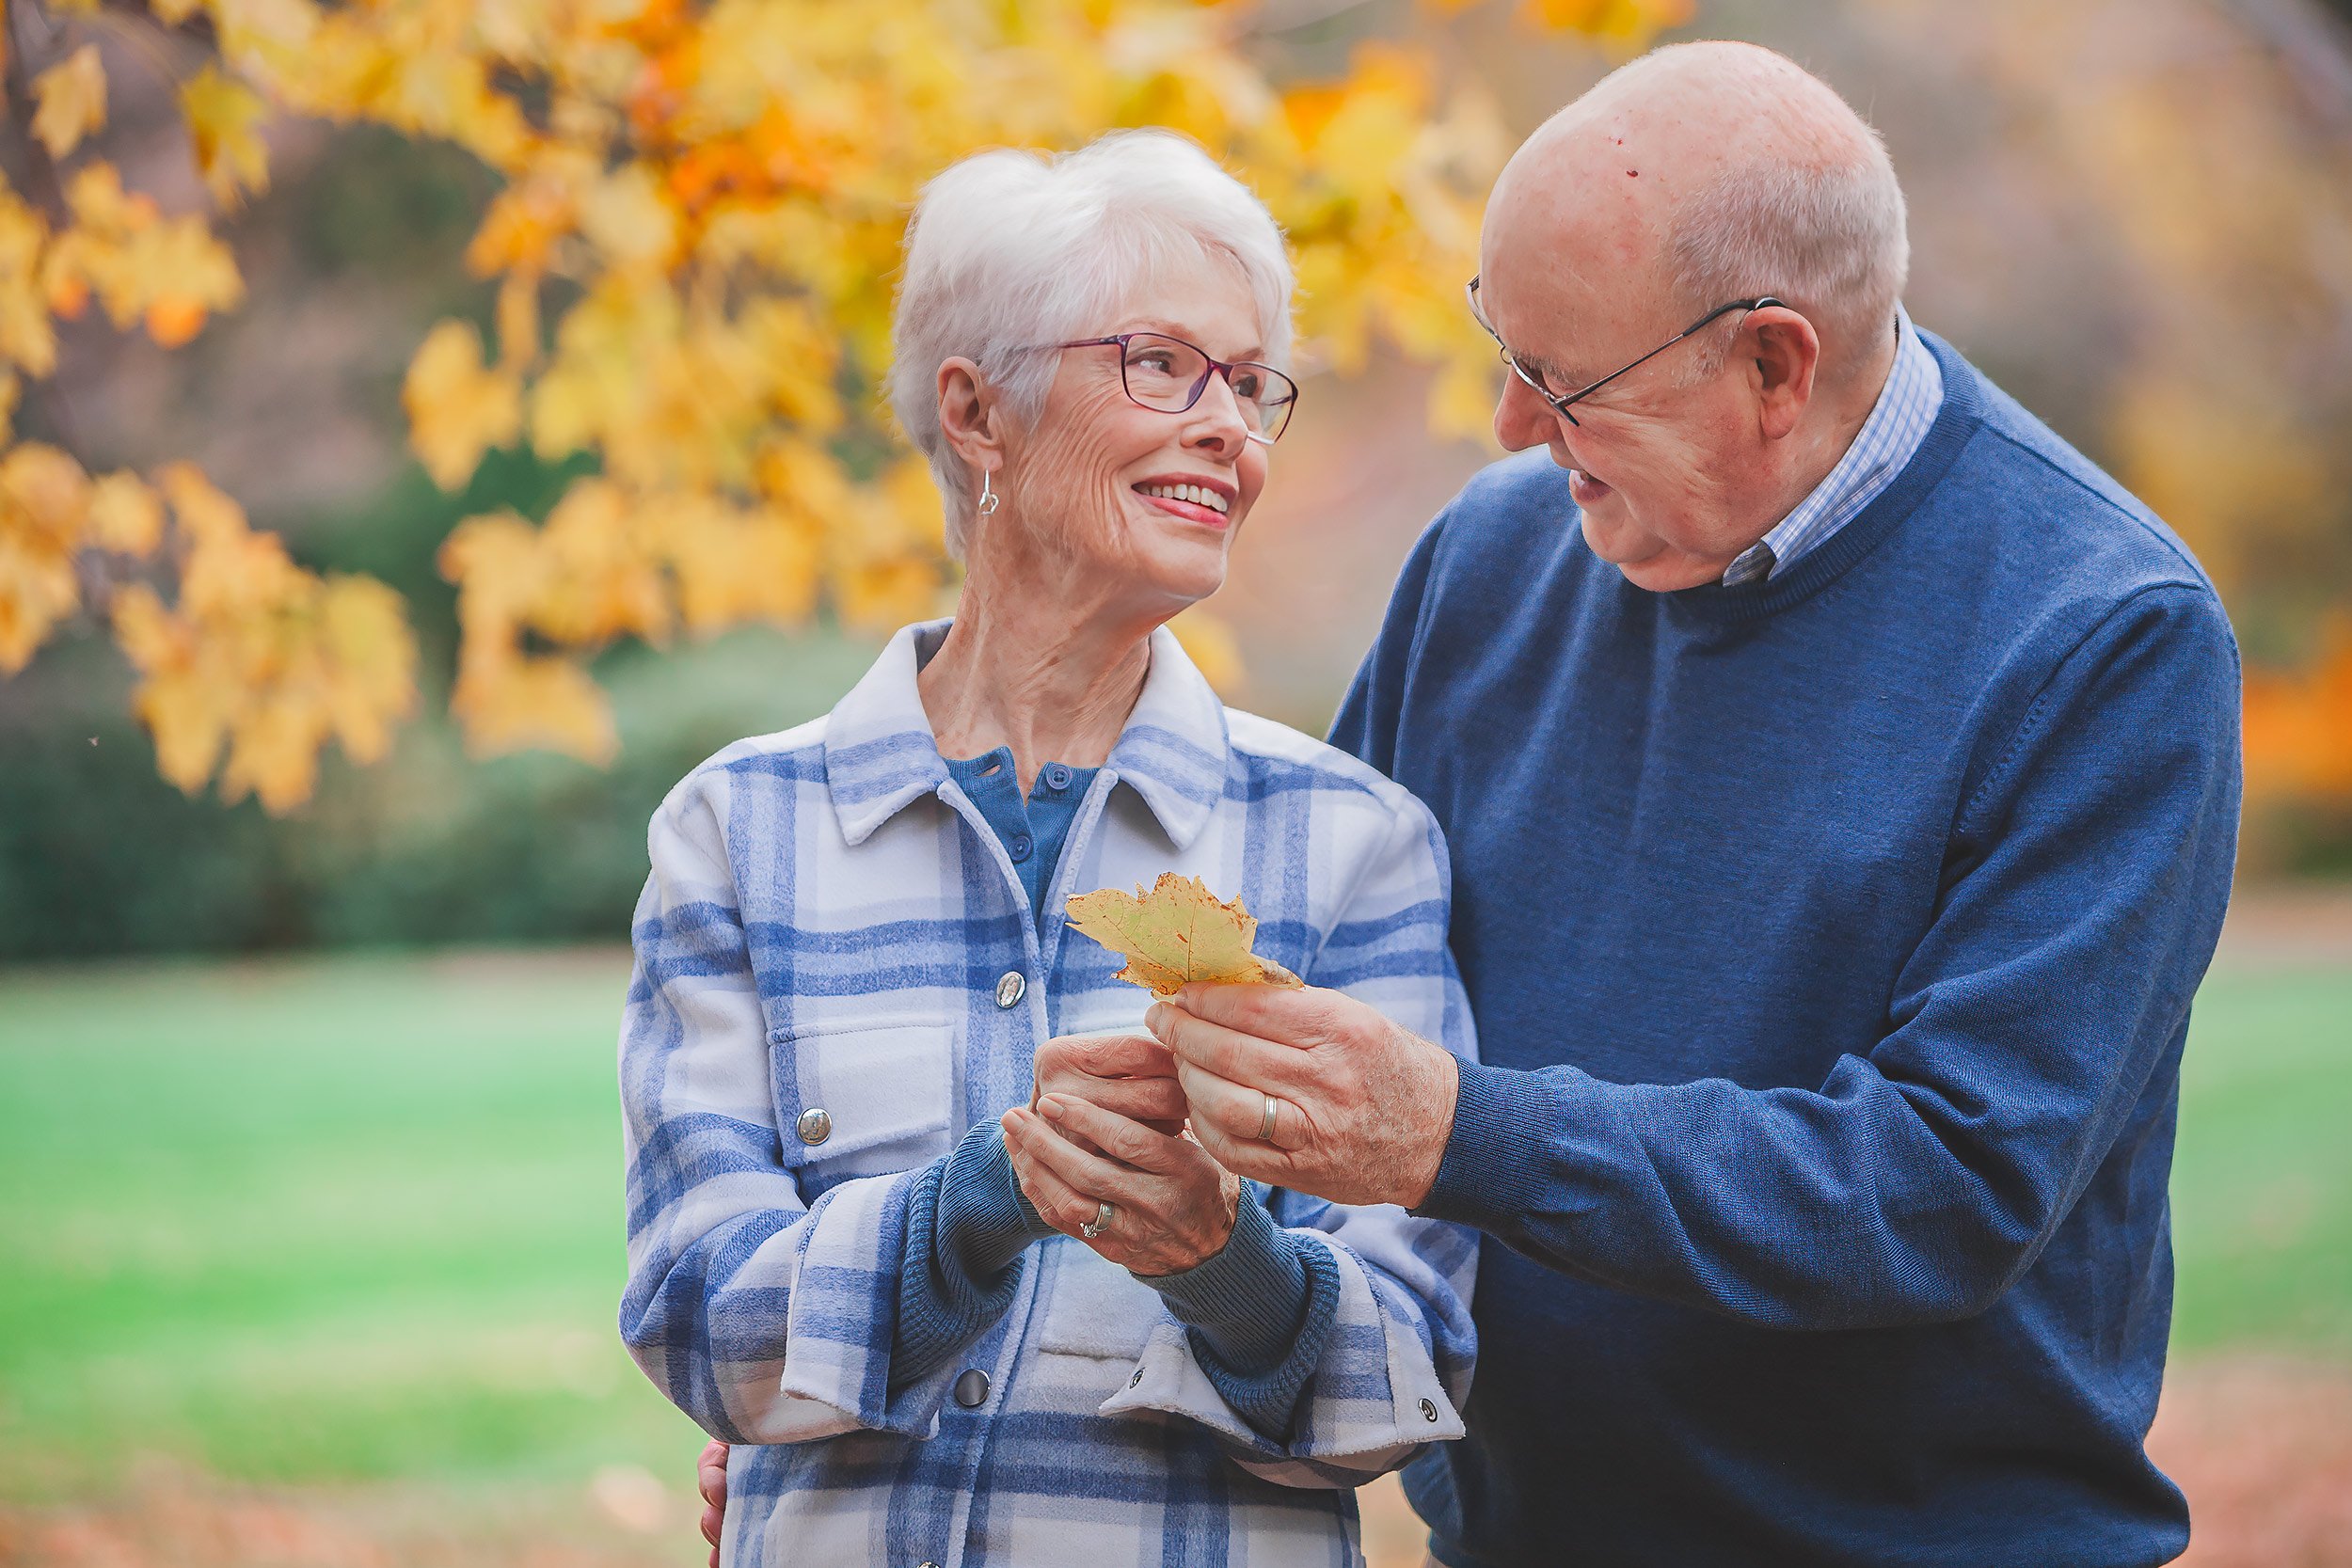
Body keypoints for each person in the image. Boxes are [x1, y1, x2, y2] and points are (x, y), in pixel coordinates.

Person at [1146, 40, 2242, 1568]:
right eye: (1502, 346)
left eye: (1563, 380)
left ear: (1774, 367)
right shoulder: (1486, 562)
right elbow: (1279, 984)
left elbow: (1946, 1187)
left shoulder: (2101, 635)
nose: (1510, 426)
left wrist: (1465, 1133)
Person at [618, 129, 1477, 1568]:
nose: (1232, 430)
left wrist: (1228, 1263)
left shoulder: (1353, 847)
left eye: (1253, 384)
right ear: (978, 412)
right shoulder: (738, 834)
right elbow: (702, 1324)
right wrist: (983, 1202)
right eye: (1162, 365)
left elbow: (1412, 1375)